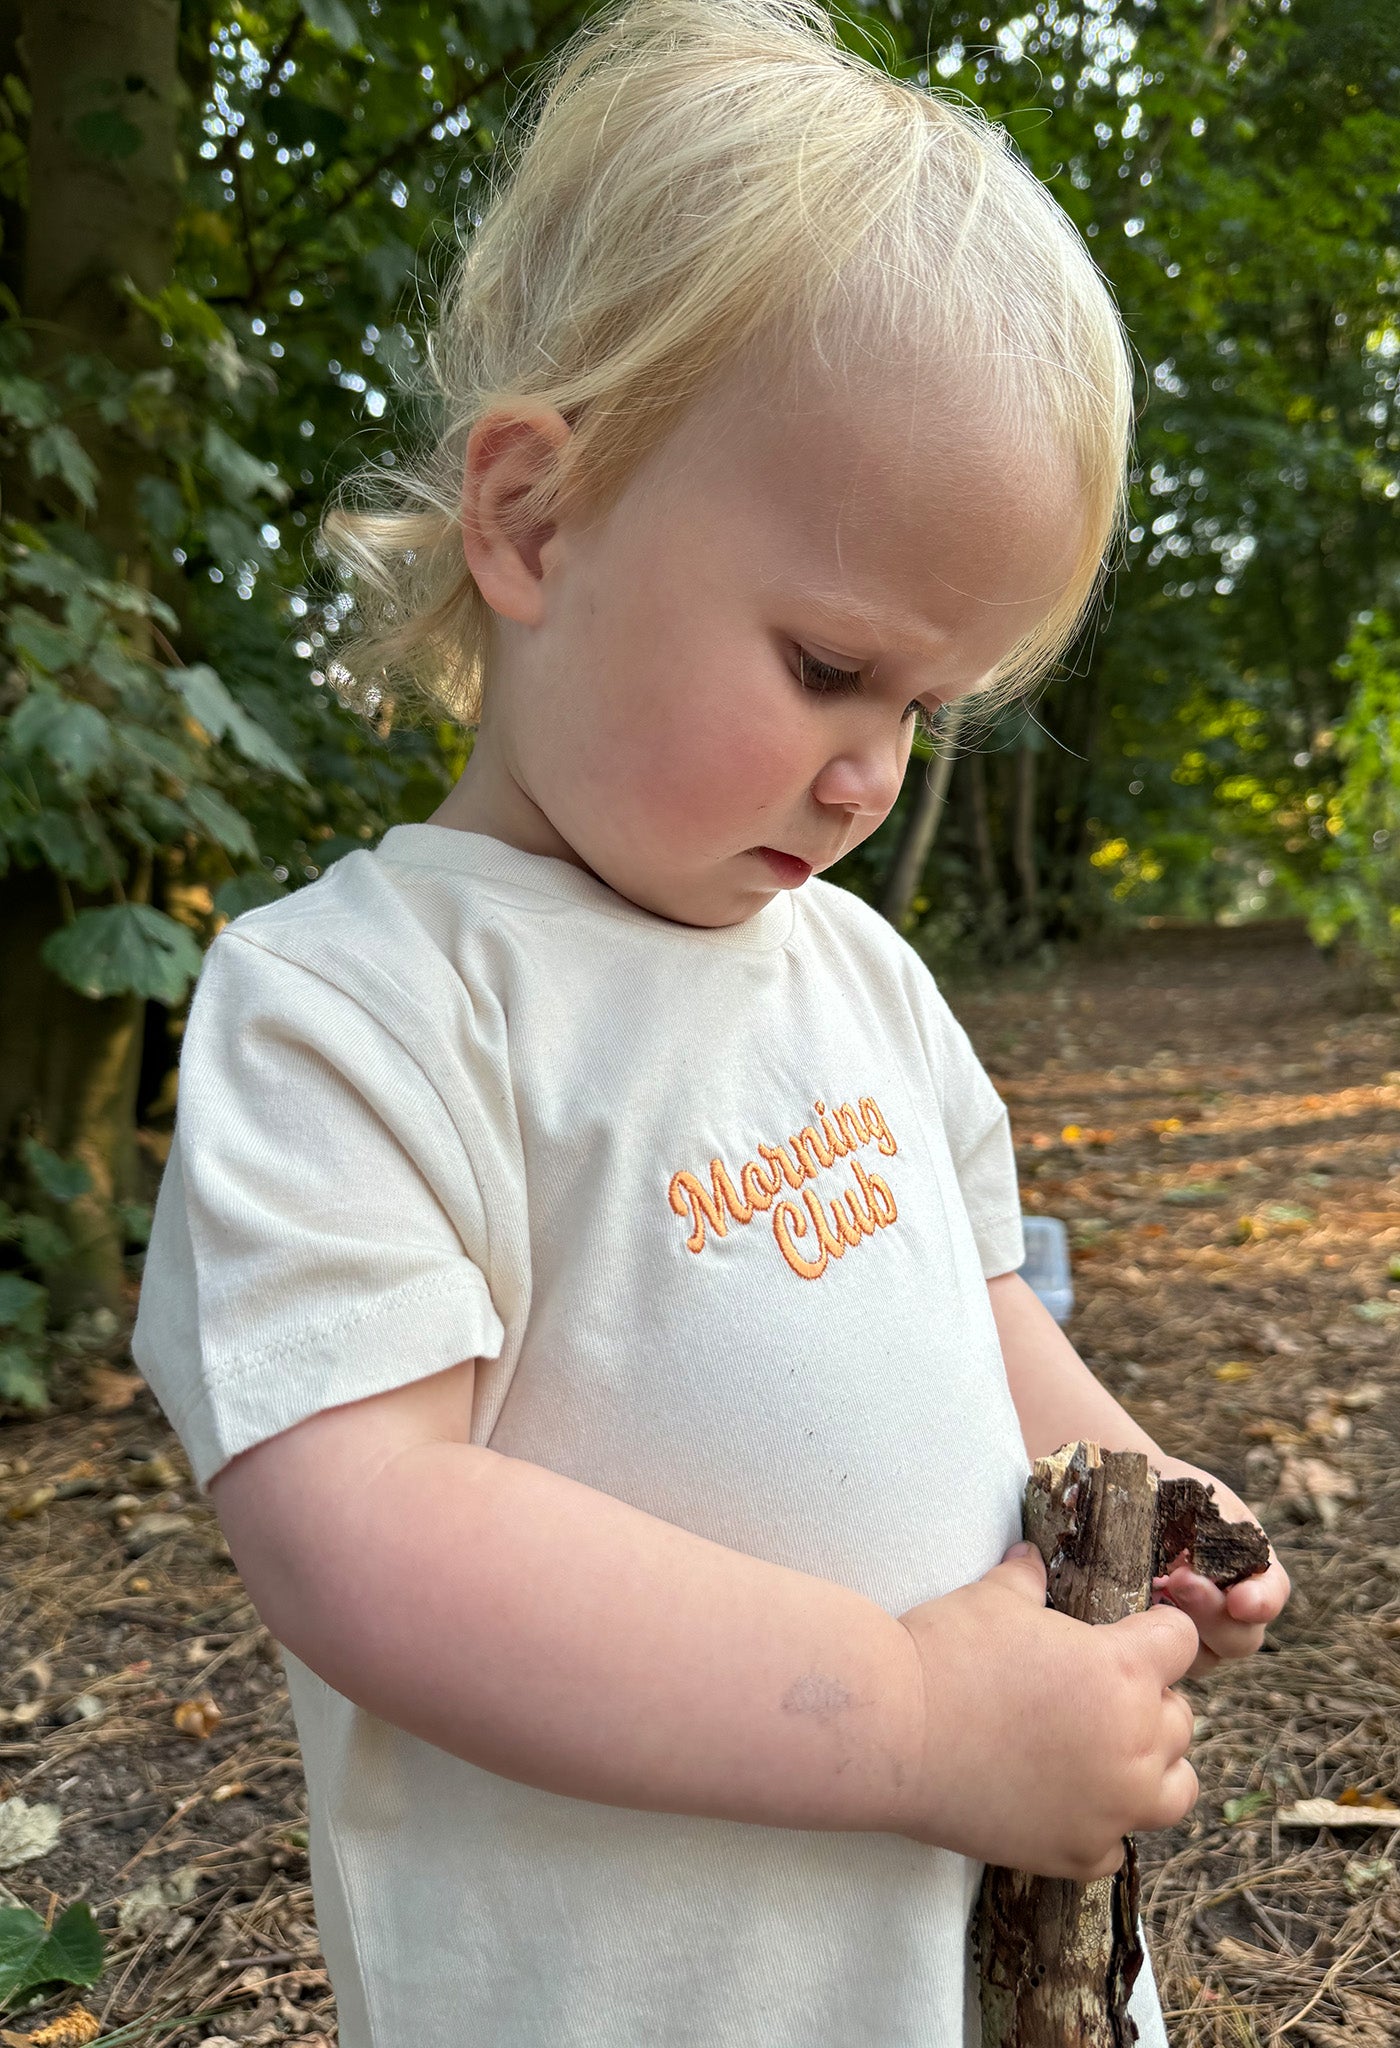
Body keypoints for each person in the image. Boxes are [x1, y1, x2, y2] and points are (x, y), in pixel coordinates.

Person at [132, 2, 1291, 2041]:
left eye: (920, 711)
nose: (870, 776)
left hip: (972, 1973)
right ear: (534, 521)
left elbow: (972, 1312)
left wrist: (1133, 1472)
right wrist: (922, 1711)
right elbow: (369, 1542)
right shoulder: (356, 1015)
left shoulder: (860, 977)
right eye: (829, 663)